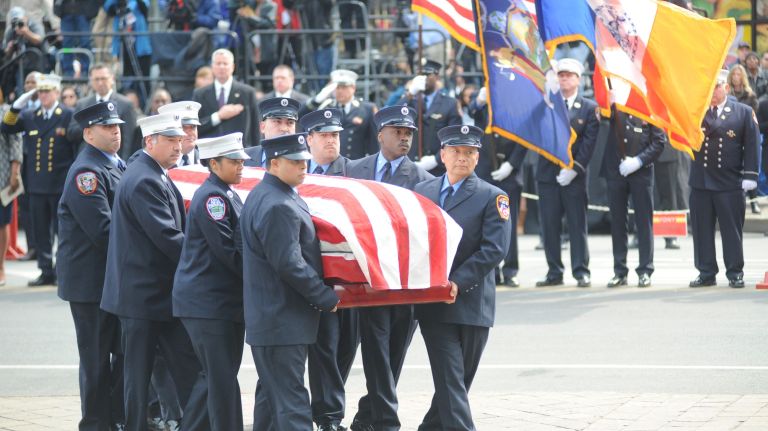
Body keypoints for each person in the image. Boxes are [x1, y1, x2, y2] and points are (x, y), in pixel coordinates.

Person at [100, 112, 208, 431]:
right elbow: (168, 237)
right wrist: (207, 259)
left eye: (179, 140)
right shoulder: (145, 178)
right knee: (138, 375)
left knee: (181, 369)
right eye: (171, 141)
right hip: (142, 299)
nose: (179, 147)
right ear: (150, 141)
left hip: (153, 297)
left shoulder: (150, 172)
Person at [413, 124, 511, 430]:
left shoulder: (493, 196)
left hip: (472, 304)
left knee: (455, 383)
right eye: (455, 151)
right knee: (450, 380)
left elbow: (494, 250)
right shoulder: (422, 192)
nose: (462, 158)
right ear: (442, 154)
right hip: (433, 303)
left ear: (477, 158)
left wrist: (457, 281)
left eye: (469, 153)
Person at [240, 132, 340, 430]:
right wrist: (323, 296)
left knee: (272, 402)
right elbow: (289, 263)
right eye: (295, 161)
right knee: (293, 406)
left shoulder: (269, 194)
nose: (303, 166)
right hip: (282, 320)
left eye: (304, 160)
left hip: (273, 320)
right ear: (273, 164)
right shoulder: (277, 205)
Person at [346, 105, 433, 431]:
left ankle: (369, 414)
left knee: (393, 353)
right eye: (397, 132)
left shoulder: (423, 179)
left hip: (404, 281)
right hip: (366, 278)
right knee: (373, 351)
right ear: (380, 133)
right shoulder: (356, 170)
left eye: (409, 133)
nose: (404, 138)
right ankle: (384, 421)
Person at [57, 101, 127, 430]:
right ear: (88, 134)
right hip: (91, 283)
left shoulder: (114, 163)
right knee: (97, 359)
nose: (115, 131)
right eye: (107, 127)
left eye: (117, 126)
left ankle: (112, 416)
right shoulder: (87, 172)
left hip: (110, 279)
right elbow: (104, 230)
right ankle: (96, 423)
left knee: (123, 352)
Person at [173, 132, 249, 431]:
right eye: (234, 161)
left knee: (219, 376)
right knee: (219, 378)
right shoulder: (213, 199)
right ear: (214, 164)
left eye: (242, 160)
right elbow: (229, 252)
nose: (241, 165)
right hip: (207, 305)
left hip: (219, 303)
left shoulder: (226, 193)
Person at [299, 107, 353, 430]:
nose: (332, 141)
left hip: (347, 282)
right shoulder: (297, 173)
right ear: (309, 140)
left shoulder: (354, 173)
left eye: (335, 135)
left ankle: (329, 414)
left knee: (339, 350)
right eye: (325, 135)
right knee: (319, 349)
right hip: (309, 277)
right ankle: (325, 414)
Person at [1, 73, 78, 287]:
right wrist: (17, 104)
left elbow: (74, 147)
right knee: (40, 231)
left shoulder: (67, 114)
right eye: (40, 91)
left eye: (47, 91)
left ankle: (60, 271)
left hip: (60, 183)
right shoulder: (29, 115)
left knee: (62, 231)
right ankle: (45, 270)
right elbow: (6, 127)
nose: (43, 95)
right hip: (37, 183)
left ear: (56, 92)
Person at [689, 69, 759, 289]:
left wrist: (750, 175)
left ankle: (735, 271)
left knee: (731, 231)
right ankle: (706, 271)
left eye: (716, 86)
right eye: (709, 86)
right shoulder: (695, 112)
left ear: (726, 88)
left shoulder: (743, 112)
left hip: (729, 182)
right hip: (701, 181)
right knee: (702, 231)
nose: (712, 91)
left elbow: (752, 146)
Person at [534, 58, 599, 288]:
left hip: (574, 176)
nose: (564, 79)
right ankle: (554, 270)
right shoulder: (547, 104)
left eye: (569, 75)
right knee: (549, 225)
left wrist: (574, 169)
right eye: (561, 75)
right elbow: (536, 129)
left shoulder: (589, 107)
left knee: (576, 224)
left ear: (578, 80)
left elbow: (589, 143)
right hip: (548, 173)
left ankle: (581, 270)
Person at [470, 86, 528, 287]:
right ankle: (492, 271)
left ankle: (510, 270)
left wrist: (512, 164)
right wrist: (480, 100)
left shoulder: (517, 107)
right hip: (486, 172)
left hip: (509, 173)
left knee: (508, 224)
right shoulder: (486, 101)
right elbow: (473, 113)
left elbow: (524, 139)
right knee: (488, 225)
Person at [600, 109, 665, 288]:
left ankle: (645, 270)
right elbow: (603, 114)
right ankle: (619, 271)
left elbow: (659, 142)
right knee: (618, 223)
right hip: (616, 170)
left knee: (643, 223)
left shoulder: (650, 108)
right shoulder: (615, 104)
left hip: (641, 172)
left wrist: (638, 161)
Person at [397, 59, 463, 176]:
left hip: (438, 169)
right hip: (409, 166)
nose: (424, 78)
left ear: (437, 77)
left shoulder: (449, 103)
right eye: (420, 75)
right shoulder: (410, 101)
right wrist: (411, 93)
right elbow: (394, 117)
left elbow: (455, 137)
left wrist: (436, 160)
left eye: (428, 74)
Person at [302, 69, 379, 160]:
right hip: (331, 162)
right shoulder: (326, 108)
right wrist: (317, 100)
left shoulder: (367, 109)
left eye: (344, 87)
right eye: (337, 88)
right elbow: (302, 117)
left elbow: (374, 142)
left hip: (356, 163)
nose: (340, 91)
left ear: (353, 88)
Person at [193, 48, 261, 147]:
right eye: (218, 63)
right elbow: (195, 127)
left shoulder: (247, 93)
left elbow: (255, 129)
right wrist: (218, 116)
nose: (221, 67)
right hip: (209, 153)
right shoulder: (199, 94)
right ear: (212, 66)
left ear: (233, 67)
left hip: (240, 153)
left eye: (225, 63)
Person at [68, 64, 138, 159]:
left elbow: (128, 140)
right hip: (87, 159)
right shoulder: (82, 104)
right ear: (91, 81)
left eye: (103, 78)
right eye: (96, 79)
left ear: (112, 79)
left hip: (114, 161)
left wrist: (125, 166)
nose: (100, 83)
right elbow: (71, 133)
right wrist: (91, 124)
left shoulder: (125, 104)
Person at [727, 64, 762, 215]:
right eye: (733, 74)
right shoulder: (726, 95)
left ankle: (753, 202)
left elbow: (754, 119)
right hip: (730, 135)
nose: (736, 77)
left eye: (738, 74)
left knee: (750, 167)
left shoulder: (750, 95)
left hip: (746, 134)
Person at [104, 0, 152, 102]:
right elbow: (108, 7)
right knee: (127, 82)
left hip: (141, 50)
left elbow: (145, 5)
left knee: (143, 81)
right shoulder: (118, 10)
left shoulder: (137, 6)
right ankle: (128, 103)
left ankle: (145, 104)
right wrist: (115, 53)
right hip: (124, 50)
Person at [0, 102, 22, 286]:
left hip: (2, 177)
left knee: (2, 223)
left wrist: (15, 172)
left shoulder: (7, 112)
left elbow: (15, 143)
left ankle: (0, 267)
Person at [244, 96, 300, 167]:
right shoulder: (244, 157)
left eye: (290, 123)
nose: (284, 128)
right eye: (277, 122)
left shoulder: (305, 162)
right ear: (262, 127)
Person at [158, 101, 202, 166]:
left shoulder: (207, 160)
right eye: (183, 128)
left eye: (193, 127)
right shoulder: (161, 162)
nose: (190, 133)